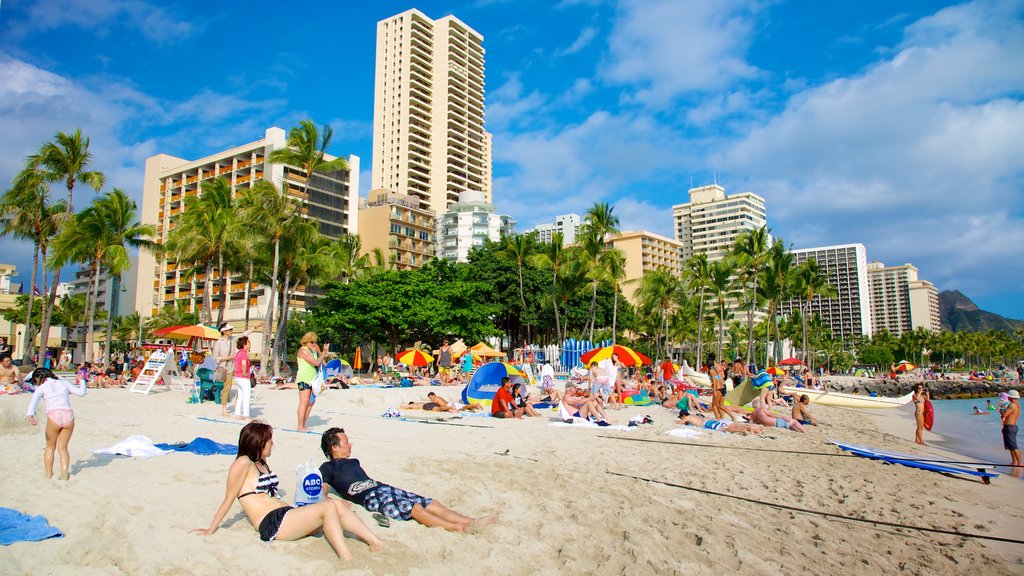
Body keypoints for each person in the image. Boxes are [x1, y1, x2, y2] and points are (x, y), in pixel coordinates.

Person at [193, 421, 383, 559]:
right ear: (259, 442)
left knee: (335, 505)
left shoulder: (261, 462)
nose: (272, 444)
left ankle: (375, 542)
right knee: (328, 507)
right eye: (269, 441)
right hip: (272, 522)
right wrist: (211, 529)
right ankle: (345, 556)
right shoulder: (242, 463)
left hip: (287, 514)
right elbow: (228, 498)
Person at [319, 427, 498, 531]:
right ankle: (458, 528)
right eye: (346, 442)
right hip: (370, 498)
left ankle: (470, 521)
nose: (350, 444)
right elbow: (322, 493)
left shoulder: (354, 461)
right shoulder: (327, 468)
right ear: (334, 447)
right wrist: (336, 503)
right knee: (415, 509)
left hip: (383, 488)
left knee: (430, 503)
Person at [25, 368, 86, 480]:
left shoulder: (42, 387)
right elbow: (81, 393)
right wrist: (82, 381)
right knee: (63, 447)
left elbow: (33, 403)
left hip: (54, 416)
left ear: (39, 378)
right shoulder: (64, 383)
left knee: (49, 447)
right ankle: (64, 473)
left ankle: (49, 474)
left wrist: (30, 415)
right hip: (68, 415)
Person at [212, 323, 254, 417]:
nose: (231, 331)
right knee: (227, 387)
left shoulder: (232, 340)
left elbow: (243, 335)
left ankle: (236, 406)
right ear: (224, 331)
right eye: (230, 330)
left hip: (232, 367)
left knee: (236, 386)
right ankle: (224, 408)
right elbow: (215, 357)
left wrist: (255, 327)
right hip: (223, 367)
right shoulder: (218, 342)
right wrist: (227, 358)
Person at [295, 332, 329, 432]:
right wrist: (323, 353)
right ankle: (300, 426)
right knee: (304, 402)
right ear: (307, 341)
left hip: (313, 379)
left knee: (311, 401)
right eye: (312, 342)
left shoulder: (312, 351)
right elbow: (315, 362)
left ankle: (303, 423)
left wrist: (320, 352)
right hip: (303, 379)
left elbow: (323, 363)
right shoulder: (303, 350)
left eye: (315, 342)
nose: (314, 344)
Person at [678, 413, 764, 436]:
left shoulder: (688, 417)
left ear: (683, 415)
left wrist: (679, 421)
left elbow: (679, 423)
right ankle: (753, 427)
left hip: (708, 424)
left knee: (726, 429)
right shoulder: (697, 416)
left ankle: (743, 430)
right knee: (730, 425)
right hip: (715, 421)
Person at [233, 336, 253, 420]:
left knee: (240, 395)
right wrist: (245, 373)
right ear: (244, 344)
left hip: (237, 376)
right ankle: (246, 415)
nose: (250, 343)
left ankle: (237, 414)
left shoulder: (238, 353)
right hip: (243, 377)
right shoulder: (243, 353)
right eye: (248, 342)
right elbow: (243, 364)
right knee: (246, 395)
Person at [707, 353, 729, 421]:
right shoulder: (719, 366)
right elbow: (722, 376)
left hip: (718, 387)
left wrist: (715, 382)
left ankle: (718, 419)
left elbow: (714, 378)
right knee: (721, 405)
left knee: (715, 405)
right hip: (723, 385)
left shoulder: (711, 368)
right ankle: (723, 418)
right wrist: (718, 379)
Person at [1002, 390, 1020, 467]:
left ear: (1011, 397)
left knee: (1013, 445)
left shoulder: (1012, 405)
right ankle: (1014, 462)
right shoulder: (1017, 405)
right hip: (1011, 426)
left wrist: (1001, 410)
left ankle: (1019, 463)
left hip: (1010, 426)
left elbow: (1005, 414)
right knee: (1010, 445)